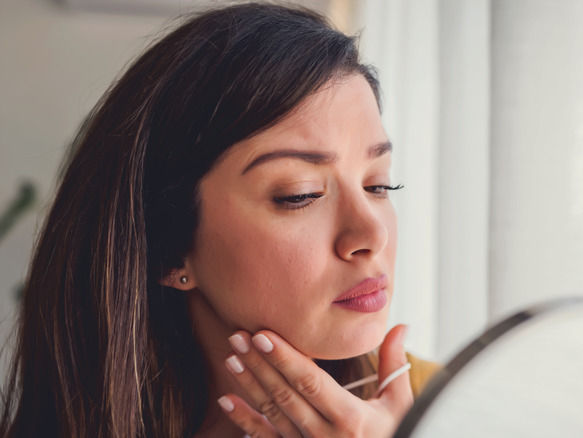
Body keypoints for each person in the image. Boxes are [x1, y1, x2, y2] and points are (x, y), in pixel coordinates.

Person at [0, 3, 439, 437]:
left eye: (378, 185)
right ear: (169, 250)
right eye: (300, 194)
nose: (372, 234)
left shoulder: (461, 409)